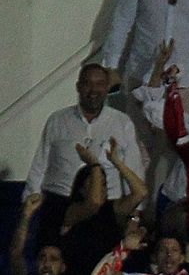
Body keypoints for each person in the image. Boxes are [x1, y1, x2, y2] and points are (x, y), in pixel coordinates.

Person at [23, 64, 143, 238]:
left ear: (107, 86)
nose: (93, 90)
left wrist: (134, 217)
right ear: (78, 87)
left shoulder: (121, 122)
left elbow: (134, 168)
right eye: (87, 84)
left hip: (106, 207)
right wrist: (29, 209)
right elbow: (39, 166)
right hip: (60, 206)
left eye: (100, 83)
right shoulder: (58, 120)